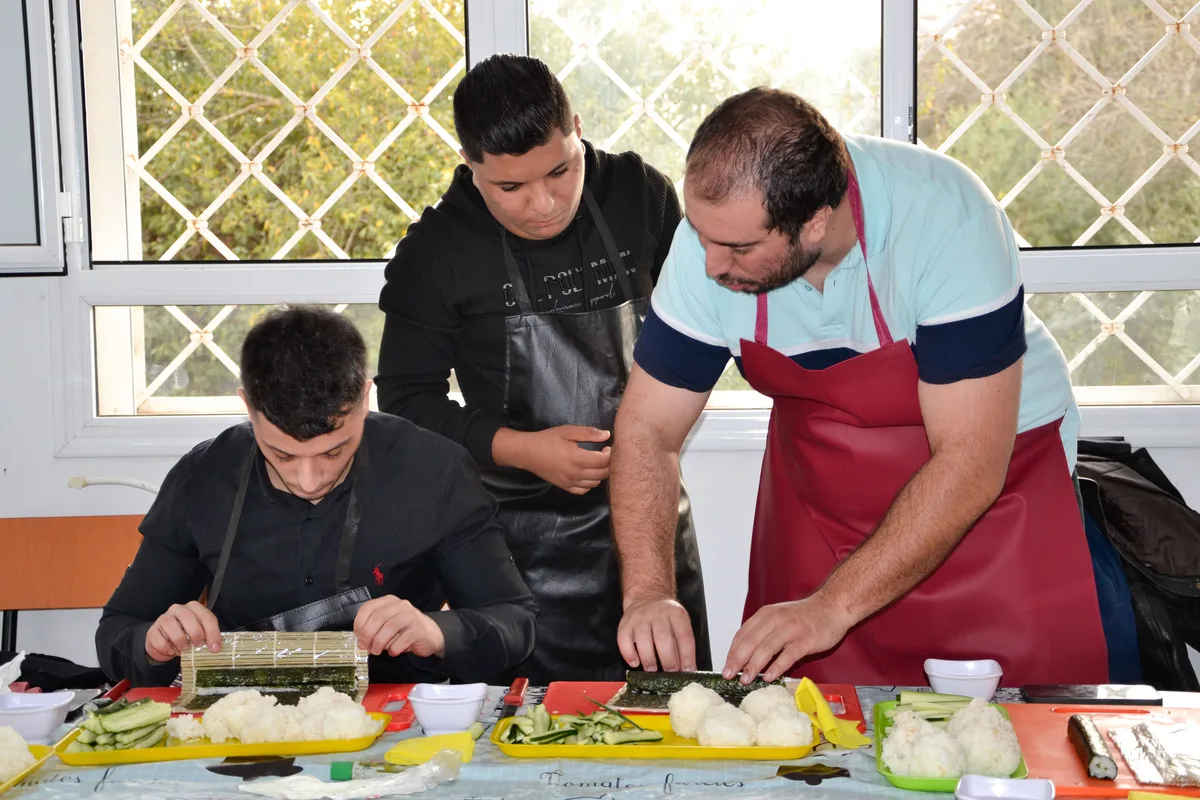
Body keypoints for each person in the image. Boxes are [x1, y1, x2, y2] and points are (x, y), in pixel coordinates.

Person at [611, 88, 1110, 686]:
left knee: (1014, 715)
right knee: (803, 716)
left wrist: (831, 607)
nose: (711, 265)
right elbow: (648, 427)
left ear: (816, 222)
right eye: (701, 235)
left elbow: (972, 460)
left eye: (740, 248)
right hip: (821, 495)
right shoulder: (713, 243)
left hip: (994, 487)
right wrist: (648, 592)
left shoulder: (945, 217)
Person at [375, 54, 709, 682]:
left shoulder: (639, 195)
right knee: (533, 727)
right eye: (511, 188)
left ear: (576, 129)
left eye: (560, 170)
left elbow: (701, 322)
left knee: (672, 716)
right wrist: (525, 450)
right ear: (471, 164)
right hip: (519, 551)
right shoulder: (438, 253)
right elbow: (406, 403)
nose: (544, 203)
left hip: (651, 522)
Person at [96, 306, 536, 686]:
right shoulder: (203, 477)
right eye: (282, 455)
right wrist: (152, 643)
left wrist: (435, 632)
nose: (309, 482)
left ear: (364, 399)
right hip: (238, 716)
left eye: (333, 452)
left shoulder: (436, 472)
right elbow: (118, 631)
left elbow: (514, 623)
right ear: (248, 407)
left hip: (395, 718)